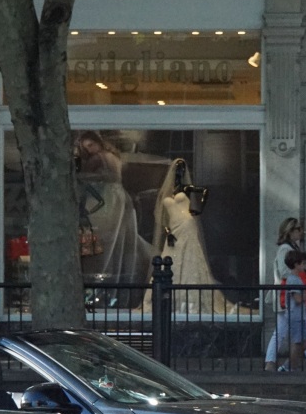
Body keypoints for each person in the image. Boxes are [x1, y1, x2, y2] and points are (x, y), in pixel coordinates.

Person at [142, 158, 233, 314]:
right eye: (177, 169)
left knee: (190, 257)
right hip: (174, 228)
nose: (179, 172)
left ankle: (191, 301)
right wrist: (168, 233)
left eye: (182, 169)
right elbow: (163, 218)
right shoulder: (165, 192)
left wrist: (198, 210)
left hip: (187, 225)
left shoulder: (186, 188)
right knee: (171, 259)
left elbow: (205, 191)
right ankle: (171, 299)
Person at [74, 131, 154, 299]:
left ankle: (101, 282)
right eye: (85, 147)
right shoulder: (114, 156)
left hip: (105, 198)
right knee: (120, 240)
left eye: (90, 145)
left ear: (98, 142)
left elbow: (82, 177)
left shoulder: (98, 158)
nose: (89, 150)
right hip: (120, 197)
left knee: (105, 239)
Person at [264, 217, 306, 371]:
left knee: (282, 332)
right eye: (298, 229)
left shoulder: (292, 247)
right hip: (290, 299)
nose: (302, 232)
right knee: (299, 332)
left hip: (290, 299)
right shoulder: (286, 250)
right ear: (291, 231)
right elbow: (284, 272)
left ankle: (272, 363)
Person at [275, 250, 306, 371]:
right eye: (303, 264)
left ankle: (289, 365)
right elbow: (297, 299)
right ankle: (290, 367)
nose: (305, 266)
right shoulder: (293, 280)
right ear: (296, 264)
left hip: (299, 315)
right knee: (296, 343)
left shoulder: (296, 279)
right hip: (295, 315)